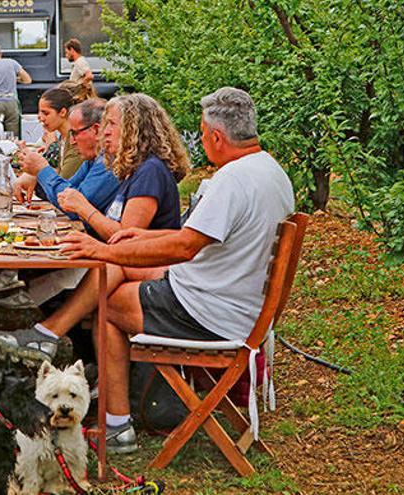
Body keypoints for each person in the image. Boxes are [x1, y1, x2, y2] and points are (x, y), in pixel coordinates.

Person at [53, 87, 294, 453]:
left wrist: (107, 248)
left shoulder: (232, 180)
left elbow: (186, 247)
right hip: (238, 304)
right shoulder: (271, 171)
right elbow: (196, 236)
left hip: (212, 313)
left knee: (109, 305)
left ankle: (116, 425)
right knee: (117, 273)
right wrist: (140, 238)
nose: (200, 139)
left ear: (216, 136)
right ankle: (53, 339)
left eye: (201, 132)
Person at [0, 93, 190, 410]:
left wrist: (86, 212)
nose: (105, 133)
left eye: (113, 125)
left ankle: (48, 338)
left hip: (153, 273)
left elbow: (125, 244)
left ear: (136, 129)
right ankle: (52, 342)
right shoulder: (133, 170)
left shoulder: (149, 172)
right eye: (103, 126)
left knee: (99, 270)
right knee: (84, 268)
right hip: (130, 266)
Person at [0, 98, 120, 310]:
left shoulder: (109, 162)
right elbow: (67, 194)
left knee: (38, 243)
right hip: (100, 244)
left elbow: (74, 206)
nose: (72, 140)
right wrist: (38, 177)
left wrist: (42, 170)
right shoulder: (95, 158)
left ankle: (48, 317)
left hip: (109, 251)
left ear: (96, 130)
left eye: (75, 133)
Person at [0, 87, 84, 294]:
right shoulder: (63, 139)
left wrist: (37, 172)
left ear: (63, 112)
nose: (40, 118)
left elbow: (65, 182)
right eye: (39, 113)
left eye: (45, 113)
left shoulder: (73, 141)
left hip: (70, 213)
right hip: (63, 207)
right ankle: (14, 278)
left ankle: (22, 285)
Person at [0, 43, 32, 135]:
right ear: (0, 54)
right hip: (11, 103)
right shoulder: (12, 63)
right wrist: (16, 79)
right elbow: (28, 80)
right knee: (12, 135)